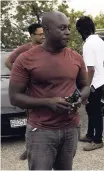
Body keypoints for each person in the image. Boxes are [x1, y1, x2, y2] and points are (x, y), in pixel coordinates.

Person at [9, 11, 90, 170]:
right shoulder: (26, 59)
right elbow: (14, 97)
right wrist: (48, 103)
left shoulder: (75, 57)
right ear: (46, 30)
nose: (67, 32)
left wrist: (79, 98)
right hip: (41, 131)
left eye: (68, 28)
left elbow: (85, 86)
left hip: (70, 129)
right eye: (61, 28)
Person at [5, 23, 44, 161]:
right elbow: (8, 62)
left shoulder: (46, 48)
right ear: (32, 35)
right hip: (31, 92)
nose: (43, 36)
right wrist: (20, 77)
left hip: (46, 91)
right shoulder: (25, 49)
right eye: (40, 34)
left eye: (43, 33)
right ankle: (29, 148)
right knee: (31, 120)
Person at [76, 16, 104, 151]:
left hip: (93, 83)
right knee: (91, 110)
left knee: (95, 112)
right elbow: (102, 64)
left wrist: (87, 89)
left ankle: (97, 140)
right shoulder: (101, 41)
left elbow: (90, 69)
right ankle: (90, 135)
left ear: (81, 31)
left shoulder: (88, 44)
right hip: (100, 81)